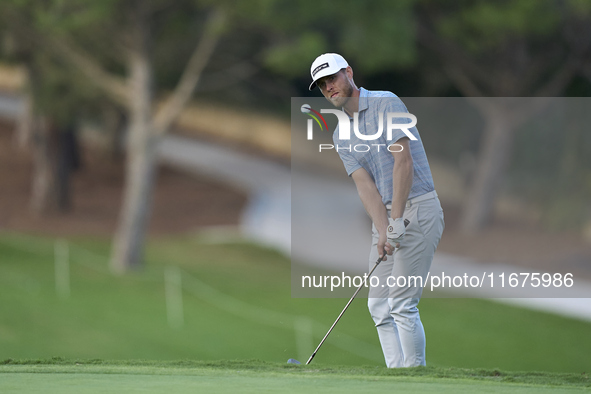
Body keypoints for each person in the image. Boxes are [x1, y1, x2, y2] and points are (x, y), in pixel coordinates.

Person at [308, 53, 444, 368]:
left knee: (401, 303)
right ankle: (395, 378)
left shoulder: (386, 103)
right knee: (378, 305)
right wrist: (384, 229)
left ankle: (414, 380)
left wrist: (395, 223)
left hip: (419, 208)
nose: (329, 88)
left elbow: (403, 162)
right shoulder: (340, 134)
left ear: (349, 73)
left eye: (332, 79)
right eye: (322, 85)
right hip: (386, 216)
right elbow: (365, 186)